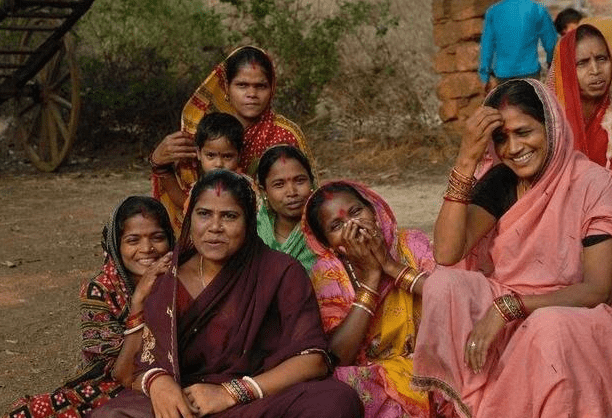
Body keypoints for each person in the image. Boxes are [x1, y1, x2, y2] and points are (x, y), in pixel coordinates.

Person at [411, 79, 612, 418]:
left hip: (579, 312)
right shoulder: (502, 179)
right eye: (501, 138)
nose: (513, 148)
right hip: (510, 297)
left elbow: (597, 290)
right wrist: (466, 160)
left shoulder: (593, 183)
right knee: (443, 284)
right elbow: (447, 253)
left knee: (548, 326)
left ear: (551, 126)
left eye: (524, 132)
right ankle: (468, 405)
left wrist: (509, 308)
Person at [90, 170, 362, 418]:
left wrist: (232, 392)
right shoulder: (167, 276)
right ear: (189, 217)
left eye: (229, 216)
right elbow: (137, 368)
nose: (214, 227)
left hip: (256, 398)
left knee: (336, 401)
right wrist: (158, 383)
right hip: (185, 403)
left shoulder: (280, 271)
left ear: (248, 221)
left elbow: (313, 360)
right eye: (204, 214)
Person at [3, 196, 175, 418]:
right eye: (133, 240)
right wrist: (139, 302)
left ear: (171, 240)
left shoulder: (184, 281)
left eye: (157, 237)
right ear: (116, 244)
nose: (147, 248)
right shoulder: (100, 290)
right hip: (113, 384)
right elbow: (121, 373)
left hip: (172, 381)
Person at [301, 181, 435, 418]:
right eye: (336, 225)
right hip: (370, 375)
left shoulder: (411, 243)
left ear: (374, 212)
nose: (353, 225)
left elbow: (451, 298)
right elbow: (339, 356)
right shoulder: (329, 272)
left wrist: (391, 267)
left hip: (430, 361)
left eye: (356, 212)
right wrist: (372, 278)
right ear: (329, 244)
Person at [150, 46, 314, 231]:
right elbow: (185, 199)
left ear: (272, 88)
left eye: (260, 86)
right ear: (227, 87)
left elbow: (306, 195)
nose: (251, 94)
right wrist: (159, 164)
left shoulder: (285, 134)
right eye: (242, 85)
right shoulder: (206, 130)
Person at [546, 24, 612, 202]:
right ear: (567, 68)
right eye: (582, 63)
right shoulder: (547, 117)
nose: (595, 70)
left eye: (602, 59)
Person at [152, 112, 244, 231]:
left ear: (239, 156)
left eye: (227, 157)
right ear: (199, 154)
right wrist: (163, 170)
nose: (219, 164)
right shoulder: (199, 187)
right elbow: (183, 202)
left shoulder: (245, 186)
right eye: (211, 155)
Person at [256, 144, 316, 272]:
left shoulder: (325, 232)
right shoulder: (253, 235)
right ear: (264, 191)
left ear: (312, 182)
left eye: (300, 181)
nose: (292, 192)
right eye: (279, 184)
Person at [478, 0, 557, 93]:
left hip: (502, 74)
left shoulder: (493, 11)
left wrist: (484, 76)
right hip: (530, 72)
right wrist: (550, 64)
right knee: (529, 105)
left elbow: (487, 46)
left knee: (506, 105)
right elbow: (551, 44)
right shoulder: (537, 9)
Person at [554, 8, 612, 89]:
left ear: (569, 27)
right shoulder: (595, 21)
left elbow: (599, 56)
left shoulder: (586, 30)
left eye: (564, 33)